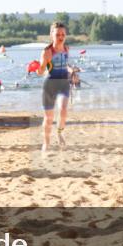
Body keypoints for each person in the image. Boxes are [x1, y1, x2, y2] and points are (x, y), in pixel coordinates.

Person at [38, 21, 71, 151]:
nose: (61, 37)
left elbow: (65, 65)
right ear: (51, 35)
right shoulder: (47, 51)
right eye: (58, 34)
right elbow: (40, 72)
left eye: (63, 34)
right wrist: (43, 64)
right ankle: (46, 143)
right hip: (50, 85)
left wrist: (71, 72)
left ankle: (59, 133)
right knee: (49, 118)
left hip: (64, 83)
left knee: (63, 111)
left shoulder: (67, 49)